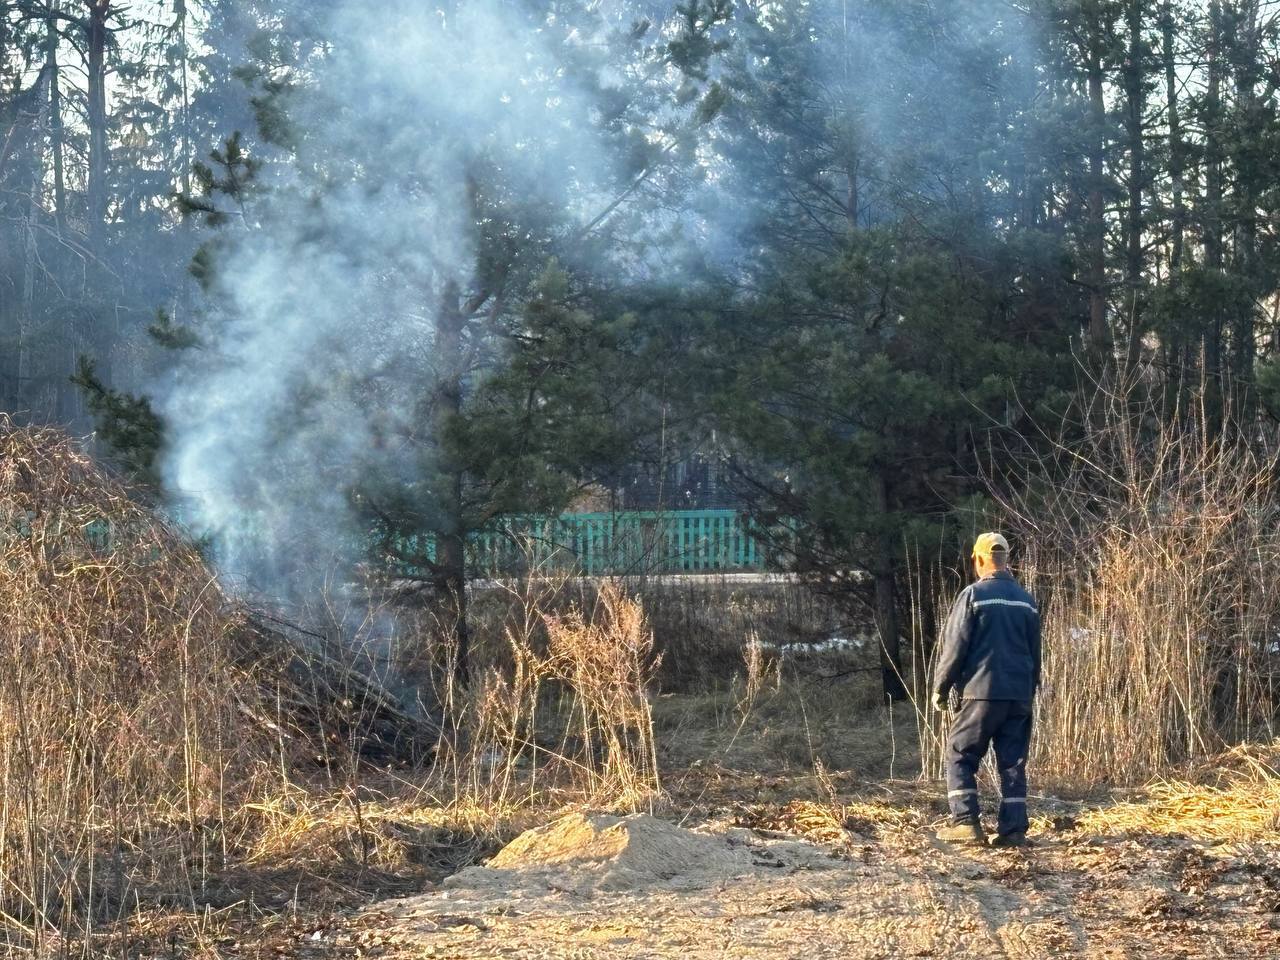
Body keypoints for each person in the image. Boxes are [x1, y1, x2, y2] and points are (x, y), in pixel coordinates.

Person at [932, 532, 1041, 847]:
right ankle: (1014, 831)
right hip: (1019, 694)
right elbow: (1035, 653)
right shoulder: (1027, 600)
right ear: (1006, 560)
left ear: (979, 559)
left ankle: (966, 822)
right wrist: (1030, 689)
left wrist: (941, 687)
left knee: (960, 753)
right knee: (1013, 762)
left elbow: (955, 646)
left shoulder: (973, 596)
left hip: (981, 692)